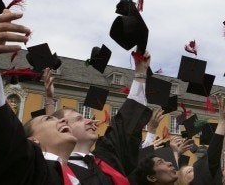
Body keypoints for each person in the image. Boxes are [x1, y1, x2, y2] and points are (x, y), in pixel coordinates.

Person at [0, 9, 78, 184]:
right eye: (48, 120)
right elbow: (2, 131)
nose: (63, 120)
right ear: (31, 141)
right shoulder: (28, 173)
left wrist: (49, 99)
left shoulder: (83, 173)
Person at [52, 50, 154, 185]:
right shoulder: (49, 170)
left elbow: (125, 126)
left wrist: (140, 73)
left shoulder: (107, 160)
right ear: (61, 128)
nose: (90, 120)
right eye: (78, 119)